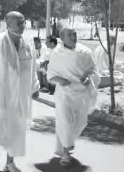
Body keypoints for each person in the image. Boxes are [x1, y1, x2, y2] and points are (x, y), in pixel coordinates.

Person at [0, 11, 40, 172]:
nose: (23, 25)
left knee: (18, 129)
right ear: (8, 24)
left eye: (24, 22)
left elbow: (32, 67)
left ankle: (9, 163)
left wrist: (35, 86)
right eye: (19, 23)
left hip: (21, 95)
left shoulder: (28, 42)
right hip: (2, 94)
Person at [47, 27, 100, 167]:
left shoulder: (86, 52)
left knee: (81, 122)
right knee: (66, 120)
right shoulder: (56, 53)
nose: (73, 37)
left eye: (74, 34)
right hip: (64, 93)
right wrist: (60, 80)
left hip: (82, 94)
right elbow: (50, 74)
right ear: (62, 38)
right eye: (69, 35)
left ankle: (68, 142)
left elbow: (95, 72)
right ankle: (65, 152)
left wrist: (89, 79)